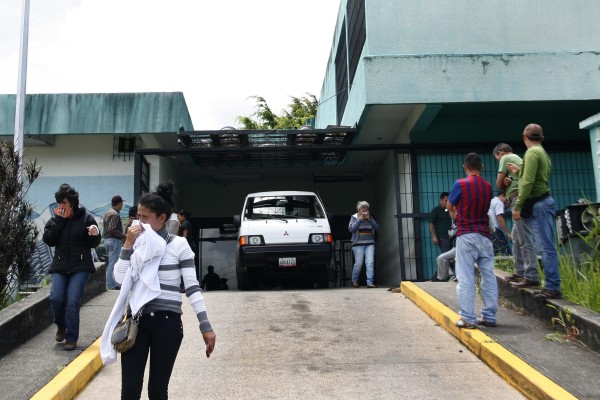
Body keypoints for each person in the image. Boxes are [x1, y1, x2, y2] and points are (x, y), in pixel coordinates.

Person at [100, 181, 216, 399]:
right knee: (130, 391)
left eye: (145, 218)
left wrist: (205, 326)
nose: (139, 222)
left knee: (157, 391)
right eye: (137, 217)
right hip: (137, 323)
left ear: (162, 218)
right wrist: (127, 245)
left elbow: (192, 288)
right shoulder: (136, 245)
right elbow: (119, 279)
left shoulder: (179, 246)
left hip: (168, 324)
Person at [43, 183, 101, 351]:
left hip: (81, 266)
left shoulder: (86, 218)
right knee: (56, 298)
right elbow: (49, 240)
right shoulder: (55, 219)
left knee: (72, 300)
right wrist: (59, 221)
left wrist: (95, 234)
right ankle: (61, 325)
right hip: (60, 265)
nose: (61, 207)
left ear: (73, 203)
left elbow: (94, 242)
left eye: (64, 203)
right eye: (59, 203)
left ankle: (71, 337)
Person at [509, 123, 561, 299]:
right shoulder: (542, 153)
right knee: (545, 245)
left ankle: (553, 286)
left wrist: (517, 206)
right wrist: (518, 172)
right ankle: (550, 284)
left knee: (545, 247)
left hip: (538, 203)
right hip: (543, 201)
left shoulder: (531, 153)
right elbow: (535, 177)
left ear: (524, 137)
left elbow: (528, 182)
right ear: (541, 138)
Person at [447, 153, 497, 329]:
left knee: (466, 277)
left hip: (466, 234)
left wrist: (454, 213)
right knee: (488, 275)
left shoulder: (460, 184)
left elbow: (449, 205)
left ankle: (468, 318)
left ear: (464, 167)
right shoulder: (488, 186)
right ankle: (490, 316)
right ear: (481, 167)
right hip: (485, 235)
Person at [493, 142, 539, 286]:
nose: (499, 162)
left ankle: (531, 275)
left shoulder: (507, 158)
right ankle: (520, 272)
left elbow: (498, 184)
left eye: (497, 159)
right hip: (520, 199)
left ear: (500, 153)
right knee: (518, 238)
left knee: (524, 238)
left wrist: (503, 183)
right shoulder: (517, 159)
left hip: (518, 200)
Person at [348, 201, 380, 288]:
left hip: (370, 243)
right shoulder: (354, 218)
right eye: (363, 210)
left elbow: (377, 228)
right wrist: (359, 219)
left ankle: (370, 282)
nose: (365, 212)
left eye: (366, 210)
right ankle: (354, 281)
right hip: (358, 244)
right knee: (358, 263)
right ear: (359, 210)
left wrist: (371, 219)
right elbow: (351, 229)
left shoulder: (370, 218)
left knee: (370, 262)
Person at [103, 195, 125, 290]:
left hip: (107, 240)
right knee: (113, 262)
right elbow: (112, 229)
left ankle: (110, 283)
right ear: (119, 203)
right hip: (113, 240)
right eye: (121, 204)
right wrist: (124, 236)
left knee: (110, 262)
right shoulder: (115, 214)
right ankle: (111, 285)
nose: (122, 206)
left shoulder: (107, 212)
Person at [488, 191, 512, 256]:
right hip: (496, 230)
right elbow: (500, 218)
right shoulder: (499, 203)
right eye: (507, 200)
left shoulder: (492, 201)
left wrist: (506, 206)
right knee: (505, 252)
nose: (508, 202)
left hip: (490, 231)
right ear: (502, 196)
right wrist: (508, 233)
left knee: (495, 253)